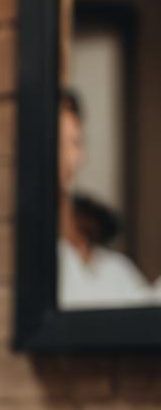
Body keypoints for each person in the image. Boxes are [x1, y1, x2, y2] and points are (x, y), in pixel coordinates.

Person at [57, 87, 159, 308]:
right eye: (61, 141)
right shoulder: (48, 258)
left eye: (75, 142)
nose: (70, 155)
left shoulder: (113, 270)